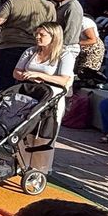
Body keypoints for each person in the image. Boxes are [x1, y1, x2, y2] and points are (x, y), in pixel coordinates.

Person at [11, 22, 73, 178]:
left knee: (44, 134)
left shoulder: (64, 55)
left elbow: (64, 79)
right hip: (30, 95)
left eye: (42, 35)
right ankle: (21, 164)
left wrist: (40, 76)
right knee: (24, 130)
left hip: (51, 98)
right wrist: (24, 76)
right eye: (37, 34)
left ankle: (40, 170)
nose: (37, 37)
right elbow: (16, 72)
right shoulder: (31, 51)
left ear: (54, 37)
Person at [0, 0, 56, 94]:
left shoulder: (14, 2)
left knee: (6, 80)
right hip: (34, 48)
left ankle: (4, 103)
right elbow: (52, 28)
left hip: (10, 45)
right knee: (26, 81)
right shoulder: (49, 6)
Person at [48, 0, 84, 77]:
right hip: (60, 46)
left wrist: (58, 48)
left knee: (62, 76)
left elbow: (70, 33)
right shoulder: (63, 5)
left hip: (66, 48)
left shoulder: (72, 7)